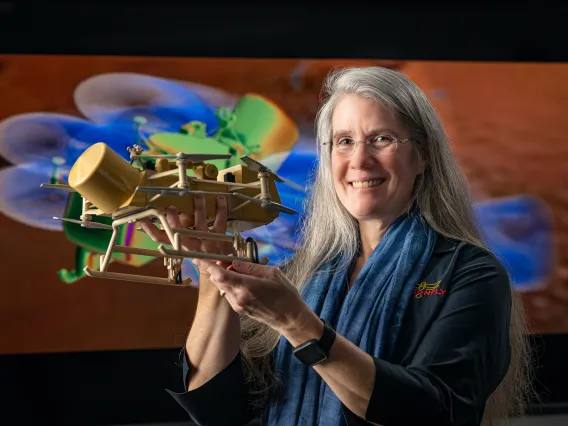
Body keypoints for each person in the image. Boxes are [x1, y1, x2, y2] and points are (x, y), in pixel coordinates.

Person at [141, 66, 534, 426]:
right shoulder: (304, 274)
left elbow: (435, 411)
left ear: (422, 156)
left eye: (381, 139)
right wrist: (214, 271)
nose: (359, 160)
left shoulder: (471, 274)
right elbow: (218, 411)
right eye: (344, 141)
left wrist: (298, 324)